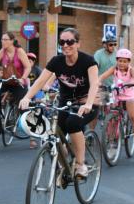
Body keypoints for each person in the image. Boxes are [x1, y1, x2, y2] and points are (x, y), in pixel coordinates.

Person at [19, 28, 100, 179]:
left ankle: (81, 164)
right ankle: (65, 166)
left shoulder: (88, 61)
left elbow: (95, 84)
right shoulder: (56, 61)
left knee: (73, 123)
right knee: (54, 134)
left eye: (70, 42)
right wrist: (27, 98)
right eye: (62, 42)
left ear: (78, 44)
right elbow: (40, 81)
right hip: (65, 103)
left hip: (87, 102)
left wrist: (88, 104)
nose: (66, 45)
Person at [99, 48, 134, 157]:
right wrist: (97, 81)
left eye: (125, 61)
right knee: (112, 120)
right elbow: (102, 76)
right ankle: (111, 145)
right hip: (117, 95)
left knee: (133, 117)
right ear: (117, 60)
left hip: (129, 95)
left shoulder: (131, 70)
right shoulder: (114, 69)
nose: (122, 63)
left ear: (129, 62)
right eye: (120, 60)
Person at [0, 32, 31, 106]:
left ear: (12, 41)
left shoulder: (19, 51)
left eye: (5, 39)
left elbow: (28, 67)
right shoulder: (2, 51)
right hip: (6, 81)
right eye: (2, 39)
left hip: (18, 83)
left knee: (22, 106)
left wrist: (23, 78)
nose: (3, 41)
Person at [26, 52, 44, 148]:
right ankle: (32, 140)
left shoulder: (37, 70)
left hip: (37, 93)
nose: (28, 63)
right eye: (26, 61)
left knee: (38, 115)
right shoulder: (24, 70)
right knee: (30, 116)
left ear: (33, 62)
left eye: (30, 61)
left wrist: (39, 97)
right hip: (28, 94)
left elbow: (42, 82)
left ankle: (41, 137)